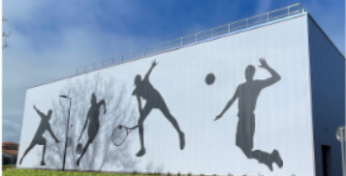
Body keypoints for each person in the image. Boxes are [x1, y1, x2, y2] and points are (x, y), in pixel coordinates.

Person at [214, 58, 283, 171]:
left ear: (252, 74)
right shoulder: (241, 87)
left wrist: (266, 67)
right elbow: (232, 100)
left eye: (249, 72)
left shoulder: (257, 84)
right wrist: (221, 114)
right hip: (241, 119)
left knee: (247, 149)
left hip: (249, 118)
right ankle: (269, 158)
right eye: (245, 72)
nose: (246, 74)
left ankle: (270, 157)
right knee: (240, 145)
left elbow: (277, 78)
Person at [133, 60, 185, 157]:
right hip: (150, 102)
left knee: (168, 116)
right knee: (140, 121)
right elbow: (139, 104)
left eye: (137, 84)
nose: (137, 86)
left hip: (156, 98)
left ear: (139, 82)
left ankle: (180, 133)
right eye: (136, 85)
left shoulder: (144, 81)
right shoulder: (137, 91)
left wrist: (152, 66)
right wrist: (141, 116)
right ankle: (142, 148)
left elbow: (147, 74)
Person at [76, 93, 106, 166]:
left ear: (95, 100)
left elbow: (103, 101)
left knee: (89, 141)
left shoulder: (97, 105)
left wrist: (105, 108)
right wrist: (81, 134)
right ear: (91, 101)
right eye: (92, 100)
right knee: (89, 141)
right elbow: (86, 123)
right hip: (91, 126)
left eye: (94, 99)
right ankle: (79, 158)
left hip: (96, 126)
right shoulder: (90, 109)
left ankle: (80, 158)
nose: (93, 101)